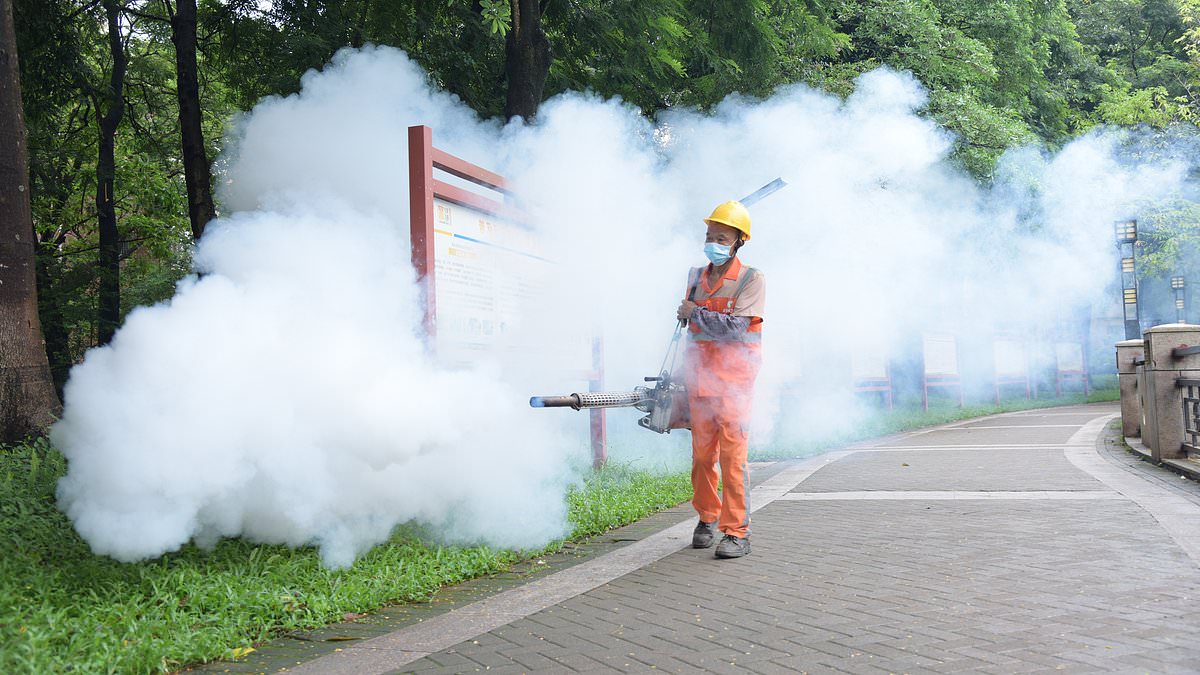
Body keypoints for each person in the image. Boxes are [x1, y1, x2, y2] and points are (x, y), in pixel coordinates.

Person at [676, 200, 765, 559]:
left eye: (721, 237)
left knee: (732, 460)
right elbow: (689, 324)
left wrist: (693, 312)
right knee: (701, 459)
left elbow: (733, 329)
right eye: (709, 235)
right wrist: (688, 314)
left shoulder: (751, 279)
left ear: (739, 241)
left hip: (734, 386)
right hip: (699, 382)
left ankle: (736, 532)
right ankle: (707, 518)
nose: (713, 241)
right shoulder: (695, 277)